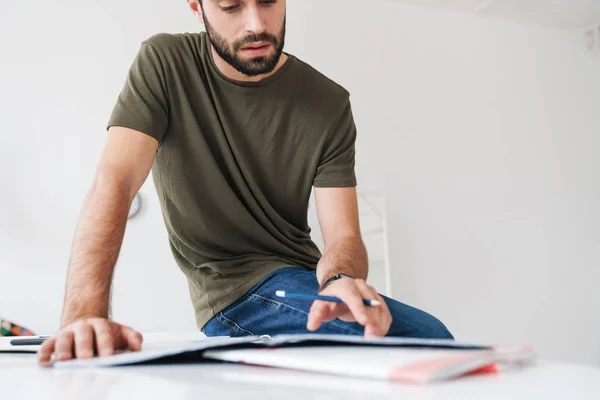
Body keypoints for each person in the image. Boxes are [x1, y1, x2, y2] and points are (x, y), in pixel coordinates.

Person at [38, 0, 453, 363]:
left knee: (432, 339)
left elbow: (344, 235)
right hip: (233, 291)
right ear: (196, 5)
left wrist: (340, 282)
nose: (255, 23)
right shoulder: (164, 62)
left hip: (302, 279)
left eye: (268, 1)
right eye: (231, 5)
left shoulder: (329, 103)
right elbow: (114, 183)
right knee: (418, 340)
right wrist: (84, 316)